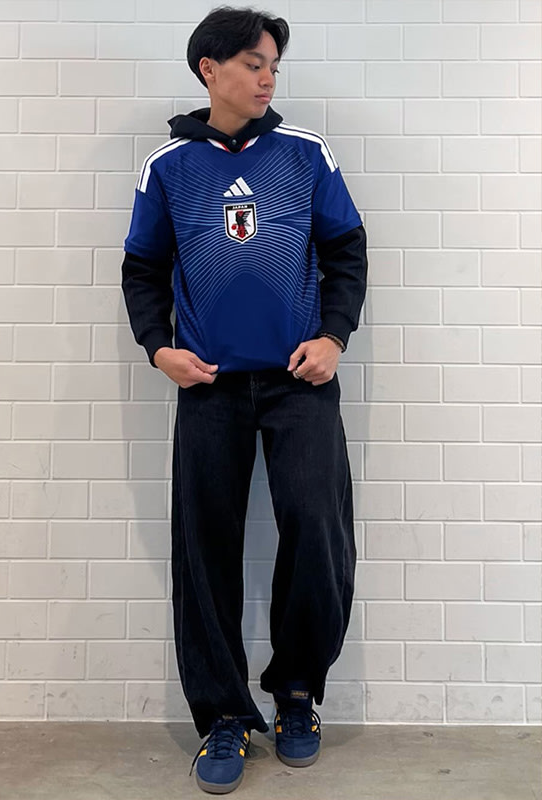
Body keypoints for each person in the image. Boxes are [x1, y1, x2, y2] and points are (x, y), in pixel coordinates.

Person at [121, 6, 368, 794]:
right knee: (205, 552)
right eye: (255, 64)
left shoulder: (305, 155)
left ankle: (295, 693)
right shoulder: (168, 167)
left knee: (318, 534)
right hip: (210, 388)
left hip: (300, 384)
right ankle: (223, 717)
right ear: (210, 70)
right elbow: (142, 269)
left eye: (273, 67)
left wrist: (332, 337)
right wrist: (158, 347)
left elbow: (346, 252)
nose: (268, 78)